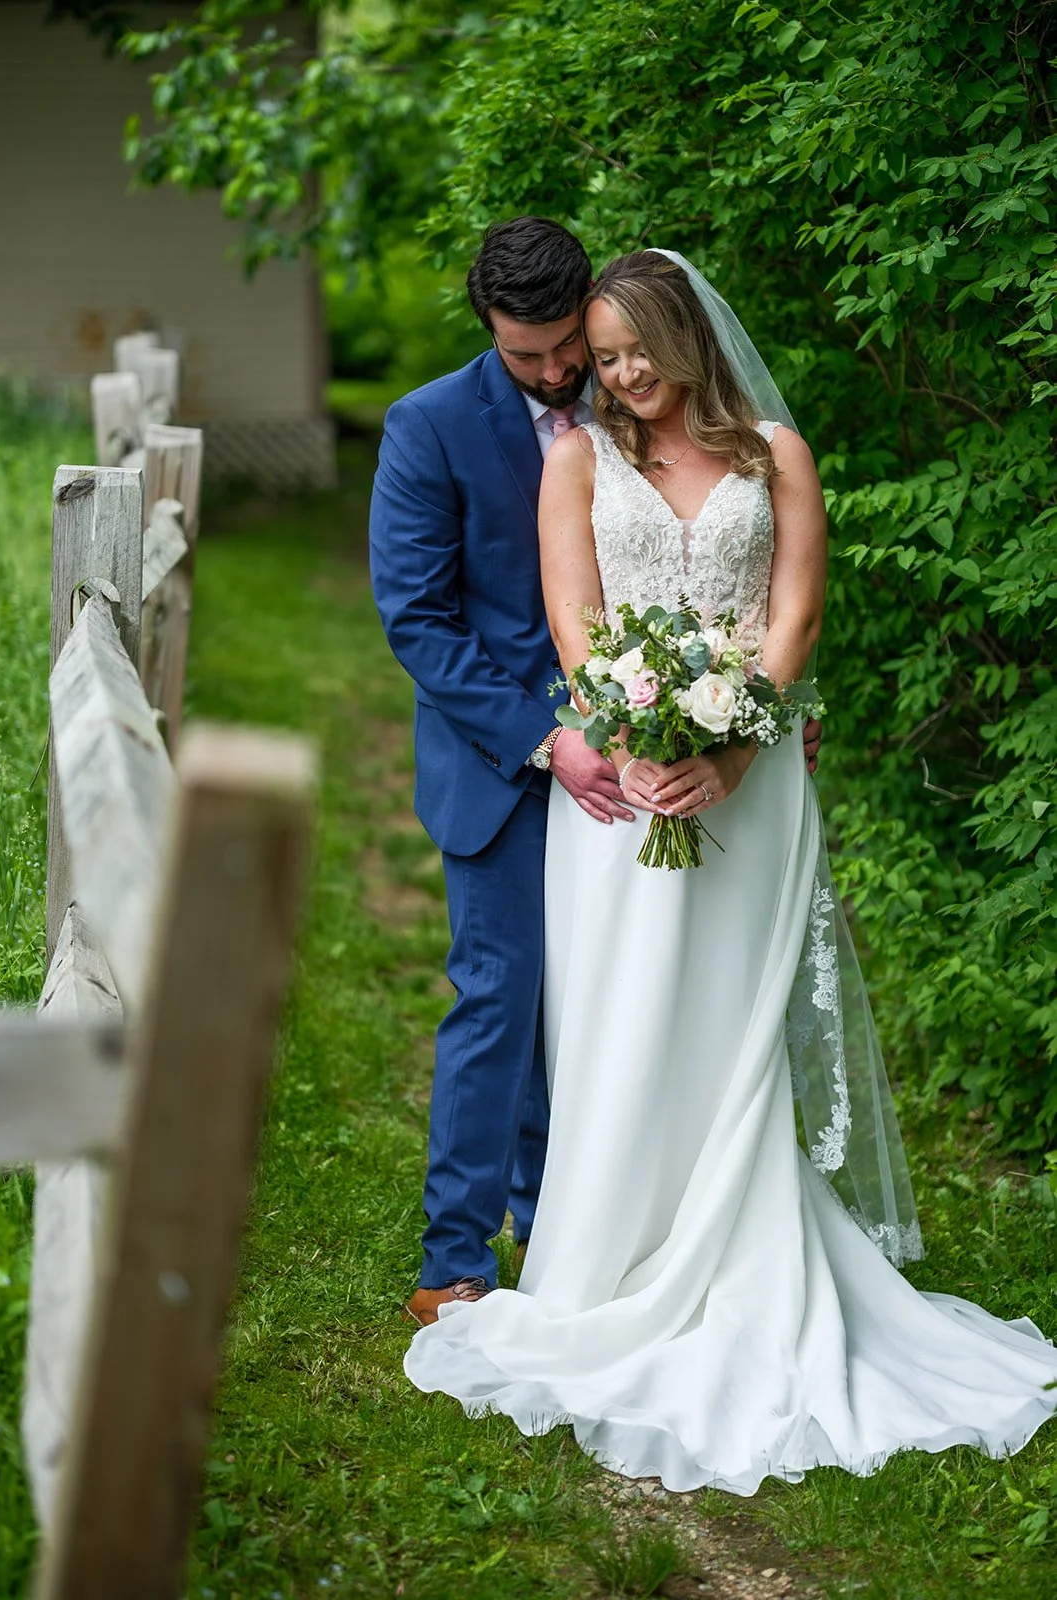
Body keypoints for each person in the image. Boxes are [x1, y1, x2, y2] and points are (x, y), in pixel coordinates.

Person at [403, 249, 1057, 1493]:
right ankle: (606, 1259)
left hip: (751, 793)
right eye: (601, 358)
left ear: (684, 335)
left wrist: (738, 750)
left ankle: (748, 1252)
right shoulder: (573, 462)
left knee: (730, 1026)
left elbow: (796, 617)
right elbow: (575, 620)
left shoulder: (774, 453)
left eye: (634, 348)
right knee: (624, 1018)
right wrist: (638, 736)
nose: (620, 373)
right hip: (624, 797)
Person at [369, 219, 820, 1329]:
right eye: (528, 357)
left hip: (659, 756)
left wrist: (752, 715)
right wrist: (555, 735)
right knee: (501, 1001)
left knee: (610, 1004)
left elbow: (756, 578)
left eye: (570, 346)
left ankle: (584, 1219)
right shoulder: (428, 427)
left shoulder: (645, 404)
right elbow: (419, 621)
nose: (561, 372)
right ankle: (457, 1258)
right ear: (488, 329)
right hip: (510, 757)